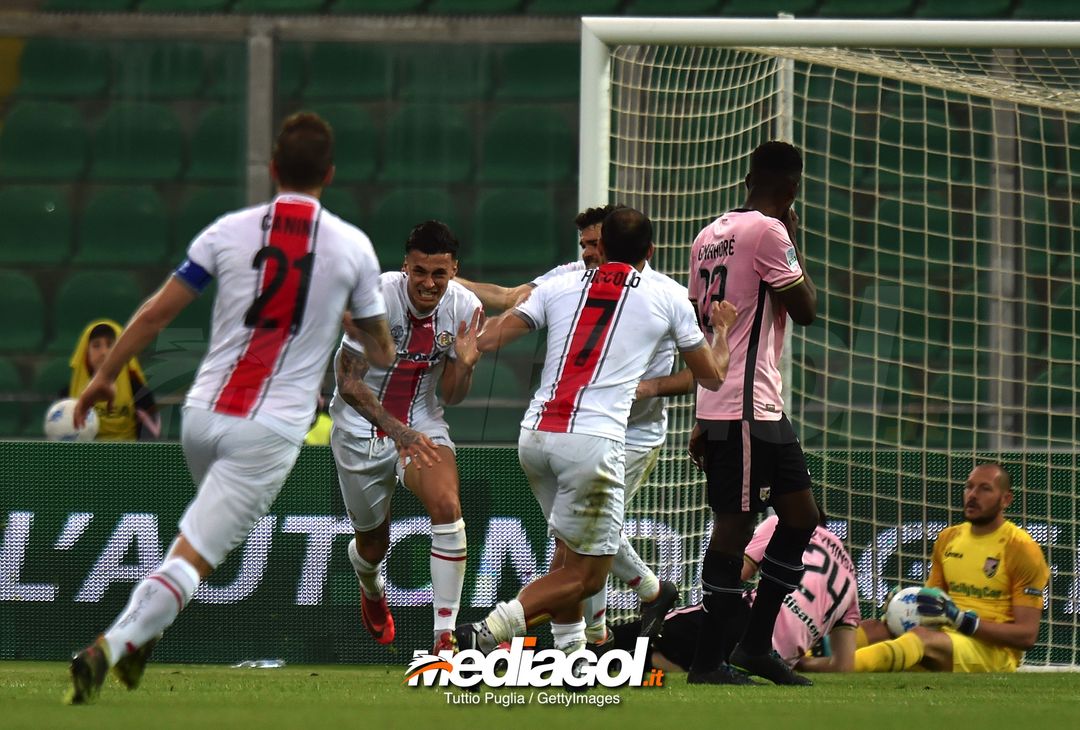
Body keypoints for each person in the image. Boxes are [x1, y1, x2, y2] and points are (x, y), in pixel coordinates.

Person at [65, 112, 407, 705]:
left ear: (273, 169)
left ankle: (145, 636)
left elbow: (153, 314)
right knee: (197, 557)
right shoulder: (353, 248)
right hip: (269, 428)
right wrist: (350, 322)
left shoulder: (228, 230)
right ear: (329, 173)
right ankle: (113, 645)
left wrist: (103, 376)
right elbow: (382, 350)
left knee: (193, 542)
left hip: (200, 417)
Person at [454, 207, 734, 657]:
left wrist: (459, 345)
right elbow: (714, 375)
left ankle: (571, 655)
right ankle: (485, 633)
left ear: (600, 248)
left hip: (535, 436)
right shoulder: (668, 299)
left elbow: (487, 338)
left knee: (566, 557)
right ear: (650, 251)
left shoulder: (560, 285)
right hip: (593, 442)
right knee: (586, 574)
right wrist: (722, 330)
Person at [685, 140, 820, 686]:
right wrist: (794, 234)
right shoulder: (771, 231)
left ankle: (755, 647)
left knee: (802, 518)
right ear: (791, 188)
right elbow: (806, 308)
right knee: (733, 530)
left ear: (747, 178)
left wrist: (700, 409)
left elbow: (707, 328)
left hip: (751, 403)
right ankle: (706, 661)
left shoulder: (706, 238)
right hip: (743, 407)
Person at [330, 220, 483, 654]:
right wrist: (397, 431)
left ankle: (444, 640)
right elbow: (349, 385)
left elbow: (451, 396)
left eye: (439, 273)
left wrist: (465, 365)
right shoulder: (375, 299)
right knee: (372, 544)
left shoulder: (466, 309)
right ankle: (370, 586)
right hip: (362, 428)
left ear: (454, 269)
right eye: (419, 272)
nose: (428, 283)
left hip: (423, 421)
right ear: (405, 268)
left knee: (447, 505)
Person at [612, 509, 859, 675]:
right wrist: (802, 663)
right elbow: (844, 665)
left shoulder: (783, 522)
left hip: (749, 625)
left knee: (651, 628)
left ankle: (590, 650)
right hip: (776, 660)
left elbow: (735, 575)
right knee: (676, 656)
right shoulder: (851, 578)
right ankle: (632, 662)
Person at [855, 462, 1050, 673]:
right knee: (874, 628)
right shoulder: (948, 538)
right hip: (944, 638)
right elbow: (933, 599)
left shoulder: (1021, 548)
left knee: (919, 639)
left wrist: (963, 621)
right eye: (969, 487)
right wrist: (903, 602)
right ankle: (813, 656)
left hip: (993, 653)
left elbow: (1027, 636)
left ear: (1006, 499)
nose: (973, 495)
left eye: (985, 489)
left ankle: (831, 667)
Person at [63, 319, 159, 440]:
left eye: (110, 345)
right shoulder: (66, 395)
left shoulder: (139, 393)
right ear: (86, 353)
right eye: (96, 345)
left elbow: (150, 438)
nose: (103, 352)